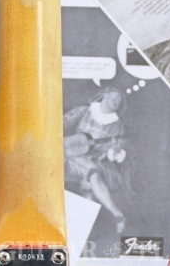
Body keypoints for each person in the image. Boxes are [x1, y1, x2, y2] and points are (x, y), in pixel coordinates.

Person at [63, 87, 132, 235]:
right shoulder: (84, 111)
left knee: (91, 180)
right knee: (91, 177)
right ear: (104, 95)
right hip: (66, 157)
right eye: (114, 97)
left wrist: (115, 150)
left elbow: (110, 152)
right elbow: (61, 124)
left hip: (92, 161)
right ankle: (115, 217)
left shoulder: (117, 124)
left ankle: (84, 232)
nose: (117, 101)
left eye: (119, 100)